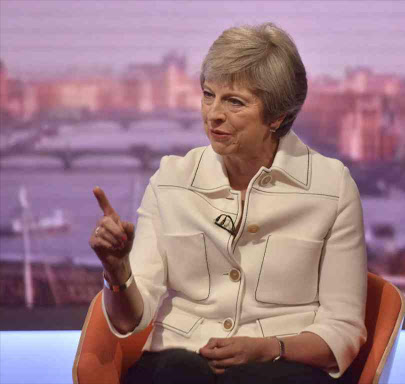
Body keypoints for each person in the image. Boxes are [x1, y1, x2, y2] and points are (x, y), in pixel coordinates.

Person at [89, 22, 367, 384]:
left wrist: (268, 347)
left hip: (283, 362)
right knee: (177, 372)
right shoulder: (171, 180)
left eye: (234, 101)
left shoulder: (332, 187)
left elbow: (342, 331)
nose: (213, 114)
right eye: (208, 95)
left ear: (277, 116)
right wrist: (116, 270)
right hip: (182, 361)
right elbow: (129, 322)